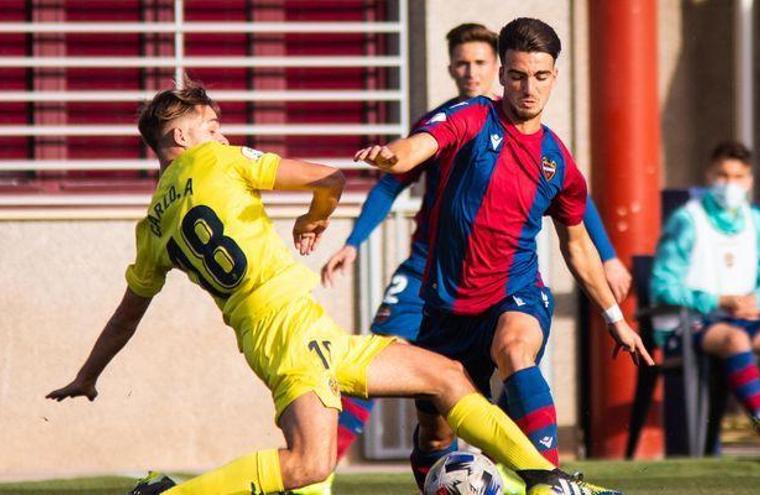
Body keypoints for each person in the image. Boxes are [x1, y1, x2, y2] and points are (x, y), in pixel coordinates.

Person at [45, 76, 613, 495]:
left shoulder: (151, 225)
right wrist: (317, 215)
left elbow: (127, 313)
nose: (221, 133)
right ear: (180, 135)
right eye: (212, 126)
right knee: (309, 465)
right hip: (289, 331)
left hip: (279, 332)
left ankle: (549, 484)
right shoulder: (217, 160)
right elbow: (329, 177)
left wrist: (88, 374)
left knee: (445, 376)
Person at [354, 17, 653, 493]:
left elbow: (576, 244)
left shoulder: (559, 163)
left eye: (539, 76)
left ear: (554, 75)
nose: (528, 88)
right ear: (502, 74)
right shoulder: (472, 117)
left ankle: (550, 483)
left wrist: (615, 317)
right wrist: (394, 155)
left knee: (515, 348)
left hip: (514, 292)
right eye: (517, 75)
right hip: (446, 308)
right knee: (436, 433)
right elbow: (419, 146)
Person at [650, 140, 760, 469]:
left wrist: (759, 299)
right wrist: (717, 300)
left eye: (737, 176)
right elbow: (663, 284)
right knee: (736, 341)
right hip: (692, 322)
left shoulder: (755, 221)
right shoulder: (687, 220)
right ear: (709, 175)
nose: (729, 184)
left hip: (743, 317)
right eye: (722, 175)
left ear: (749, 181)